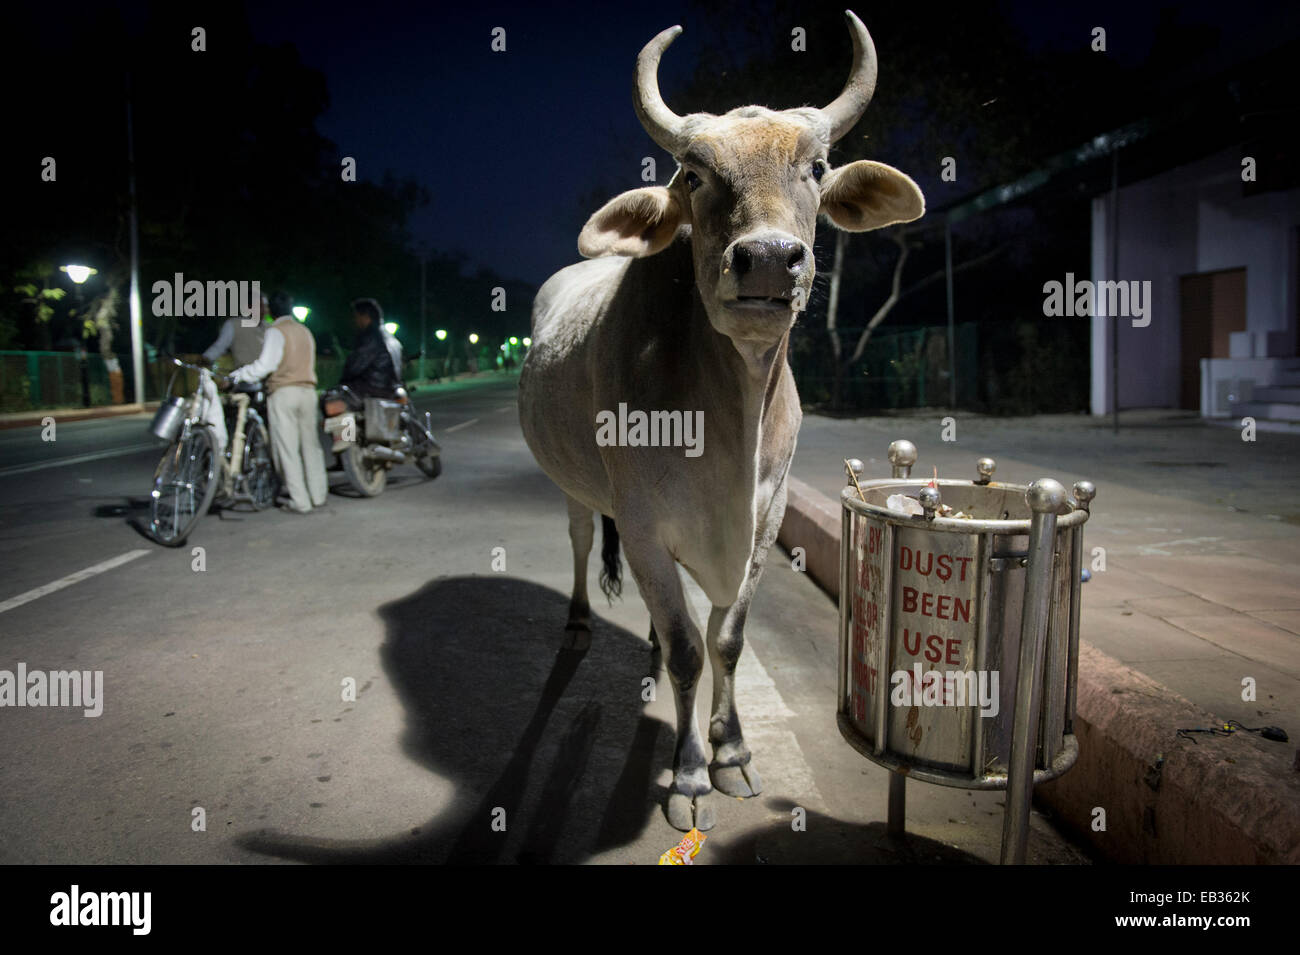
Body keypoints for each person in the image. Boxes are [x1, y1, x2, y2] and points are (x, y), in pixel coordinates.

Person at [228, 290, 328, 515]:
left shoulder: (276, 331)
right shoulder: (305, 331)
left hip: (284, 392)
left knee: (287, 449)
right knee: (311, 446)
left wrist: (240, 374)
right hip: (308, 392)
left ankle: (300, 501)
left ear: (271, 310)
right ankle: (319, 494)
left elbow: (265, 366)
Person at [204, 292, 270, 497]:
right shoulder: (234, 325)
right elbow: (218, 348)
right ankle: (226, 471)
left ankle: (267, 473)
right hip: (243, 384)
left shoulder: (270, 329)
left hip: (268, 386)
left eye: (264, 306)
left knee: (270, 431)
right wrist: (205, 360)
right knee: (232, 428)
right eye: (258, 306)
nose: (263, 310)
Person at [339, 298, 401, 399]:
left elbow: (355, 366)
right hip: (392, 388)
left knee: (329, 400)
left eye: (356, 316)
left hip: (373, 389)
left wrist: (342, 382)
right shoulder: (391, 337)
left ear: (365, 316)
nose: (354, 320)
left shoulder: (371, 337)